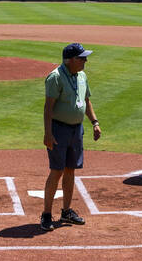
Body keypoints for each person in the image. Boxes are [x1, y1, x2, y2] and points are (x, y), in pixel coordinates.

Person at [40, 43, 101, 231]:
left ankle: (66, 211)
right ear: (70, 60)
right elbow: (48, 107)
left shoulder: (82, 76)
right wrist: (48, 133)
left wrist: (95, 122)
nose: (85, 61)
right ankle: (46, 214)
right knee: (57, 170)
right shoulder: (55, 77)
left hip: (77, 130)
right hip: (59, 130)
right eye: (82, 58)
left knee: (70, 170)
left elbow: (86, 100)